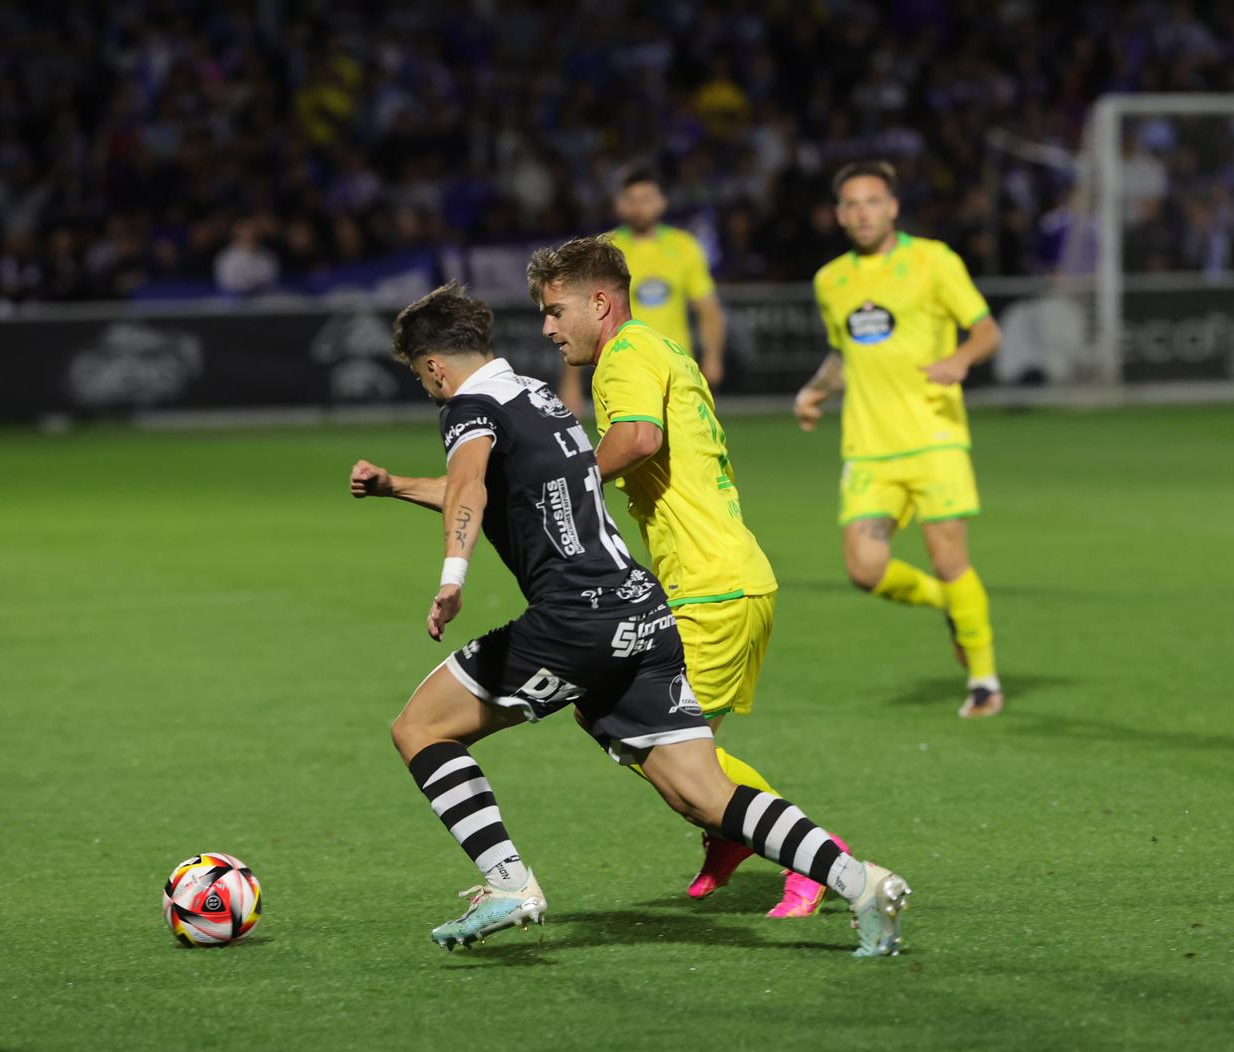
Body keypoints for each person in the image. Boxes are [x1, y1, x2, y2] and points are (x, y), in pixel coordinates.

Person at [354, 281, 911, 956]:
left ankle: (508, 883)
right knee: (703, 794)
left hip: (573, 619)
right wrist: (394, 487)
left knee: (420, 728)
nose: (429, 389)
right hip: (640, 612)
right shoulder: (535, 397)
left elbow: (470, 483)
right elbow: (490, 485)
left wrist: (452, 576)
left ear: (434, 368)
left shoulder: (467, 407)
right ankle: (863, 882)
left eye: (421, 379)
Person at [530, 234, 842, 918]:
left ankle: (819, 858)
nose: (548, 328)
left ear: (601, 302)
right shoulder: (664, 349)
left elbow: (639, 438)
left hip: (714, 587)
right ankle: (728, 834)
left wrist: (564, 486)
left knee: (666, 751)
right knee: (607, 712)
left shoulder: (625, 357)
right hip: (718, 577)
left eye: (556, 311)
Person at [793, 160, 1005, 719]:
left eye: (873, 202)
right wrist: (815, 392)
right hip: (867, 446)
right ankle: (953, 608)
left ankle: (984, 681)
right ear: (840, 216)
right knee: (864, 569)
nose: (863, 213)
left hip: (935, 436)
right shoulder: (831, 280)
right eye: (852, 205)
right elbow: (844, 355)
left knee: (947, 556)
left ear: (893, 207)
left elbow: (986, 330)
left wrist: (960, 359)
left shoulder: (933, 260)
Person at [558, 165, 726, 416]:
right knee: (630, 448)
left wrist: (713, 356)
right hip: (622, 369)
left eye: (646, 199)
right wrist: (570, 381)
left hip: (675, 370)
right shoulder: (606, 250)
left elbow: (708, 310)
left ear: (662, 203)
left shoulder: (684, 247)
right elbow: (582, 315)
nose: (639, 207)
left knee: (685, 451)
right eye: (631, 200)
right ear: (619, 205)